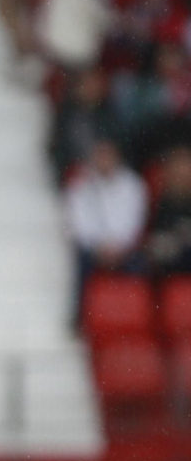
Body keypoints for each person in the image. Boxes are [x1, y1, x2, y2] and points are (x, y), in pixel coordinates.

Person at [64, 137, 147, 326]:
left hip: (123, 248)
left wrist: (118, 246)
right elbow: (78, 223)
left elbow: (134, 221)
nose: (104, 160)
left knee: (140, 266)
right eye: (100, 156)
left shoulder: (132, 185)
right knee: (81, 262)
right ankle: (80, 317)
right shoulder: (80, 184)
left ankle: (134, 318)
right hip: (94, 248)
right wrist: (98, 246)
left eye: (108, 156)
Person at [145, 145, 191, 273]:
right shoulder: (164, 199)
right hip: (172, 252)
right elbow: (157, 231)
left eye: (186, 167)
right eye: (178, 167)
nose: (183, 171)